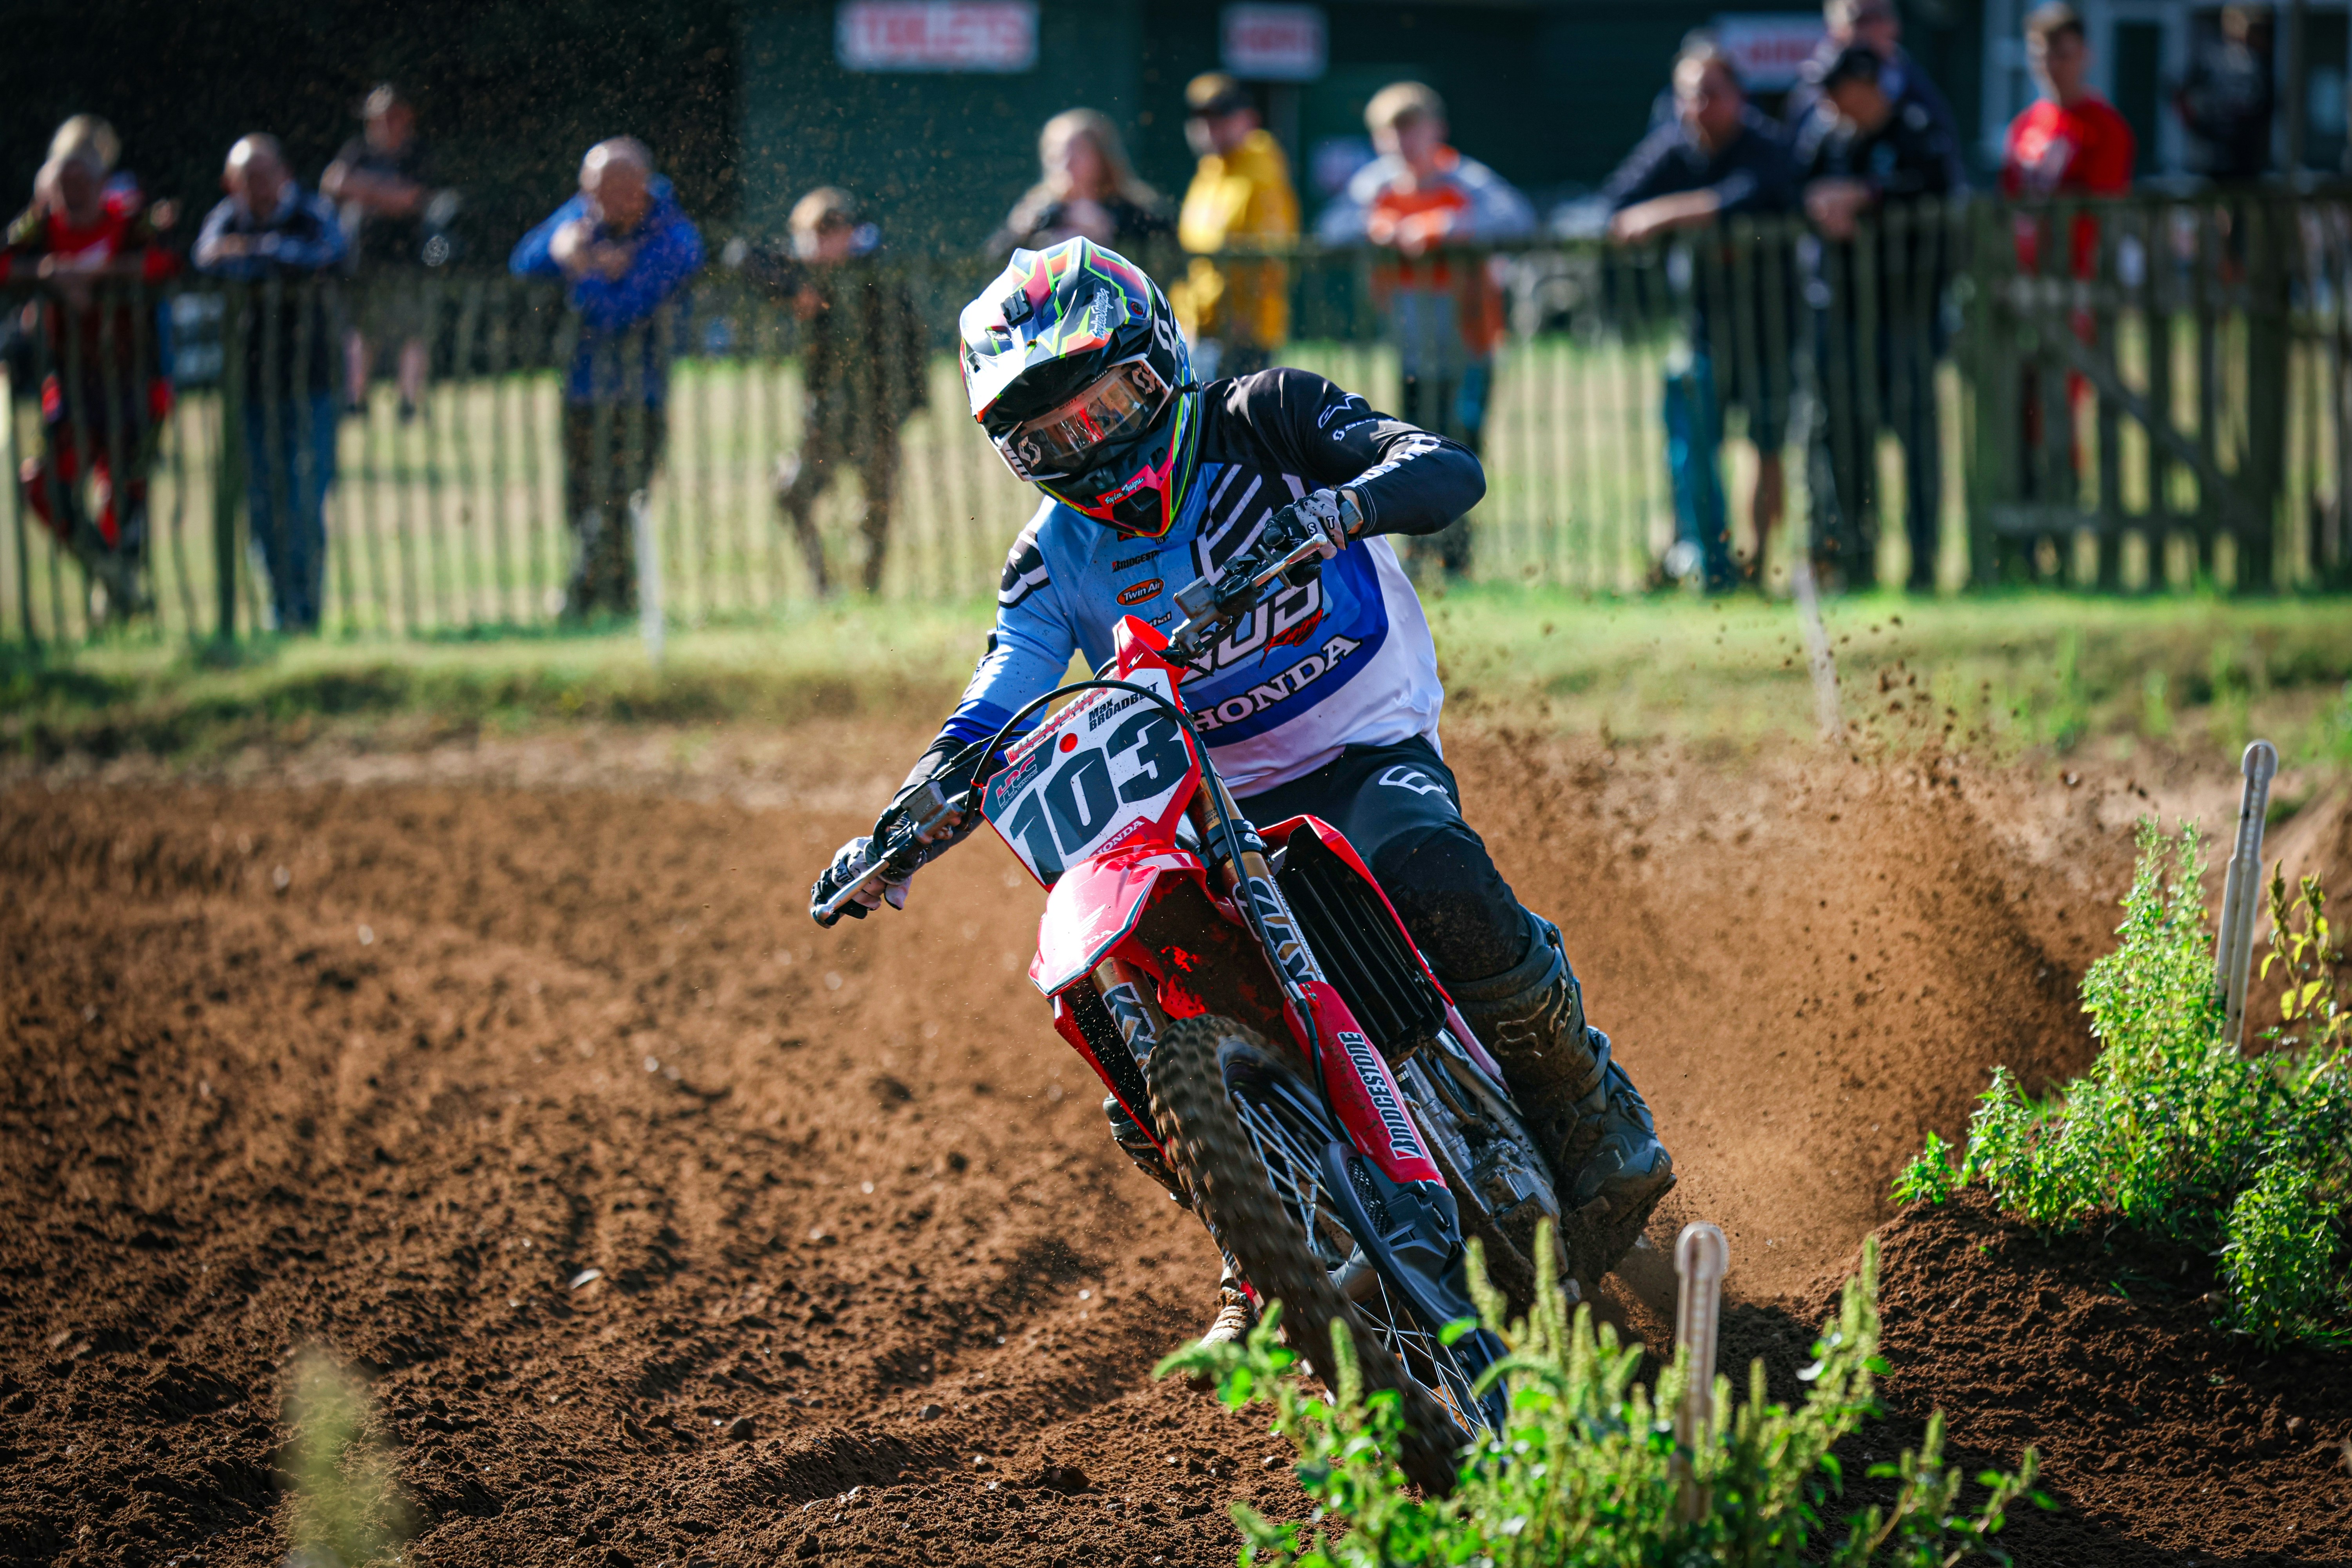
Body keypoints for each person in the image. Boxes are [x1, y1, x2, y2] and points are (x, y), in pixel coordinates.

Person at [808, 238, 1675, 1352]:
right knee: (1142, 1023)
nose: (1090, 444)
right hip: (1199, 798)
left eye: (1104, 404)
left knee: (1424, 857)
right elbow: (992, 704)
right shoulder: (1049, 560)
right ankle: (1265, 1253)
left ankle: (1581, 1103)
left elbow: (1443, 469)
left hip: (1357, 740)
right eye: (1050, 436)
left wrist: (1343, 511)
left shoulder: (1268, 415)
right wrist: (904, 824)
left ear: (1156, 359)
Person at [1316, 82, 1535, 579]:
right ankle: (1417, 554)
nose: (1402, 145)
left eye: (1411, 130)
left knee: (1462, 443)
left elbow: (1516, 218)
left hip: (1468, 343)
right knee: (1409, 450)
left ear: (1436, 130)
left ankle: (1458, 557)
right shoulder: (1377, 187)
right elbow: (1334, 226)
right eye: (1390, 134)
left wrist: (1448, 226)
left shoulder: (1468, 181)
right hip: (1410, 349)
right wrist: (1383, 226)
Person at [1604, 40, 1798, 592]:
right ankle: (1699, 557)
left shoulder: (1766, 144)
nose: (1699, 106)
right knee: (1693, 445)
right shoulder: (1672, 147)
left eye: (1711, 93)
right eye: (1689, 95)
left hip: (1771, 321)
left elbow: (1751, 197)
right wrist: (1652, 216)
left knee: (1767, 442)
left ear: (1739, 96)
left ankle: (1758, 561)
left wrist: (1666, 215)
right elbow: (1617, 202)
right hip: (1703, 325)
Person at [510, 138, 704, 618]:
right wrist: (569, 251)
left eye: (605, 192)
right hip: (581, 387)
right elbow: (527, 263)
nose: (593, 204)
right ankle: (605, 600)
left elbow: (622, 313)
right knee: (580, 500)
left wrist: (581, 268)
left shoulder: (675, 239)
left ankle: (589, 600)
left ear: (636, 188)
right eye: (589, 192)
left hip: (641, 393)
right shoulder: (586, 211)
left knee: (621, 500)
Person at [1796, 45, 1966, 592]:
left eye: (1835, 87)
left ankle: (1923, 562)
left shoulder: (1916, 128)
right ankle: (1855, 561)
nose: (1824, 99)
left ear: (1866, 85)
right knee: (1844, 441)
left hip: (1908, 315)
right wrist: (1819, 205)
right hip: (1843, 317)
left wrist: (1866, 197)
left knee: (1917, 441)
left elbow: (1938, 187)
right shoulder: (1826, 137)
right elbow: (1791, 186)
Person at [4, 131, 181, 622]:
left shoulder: (128, 222)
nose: (75, 191)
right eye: (65, 182)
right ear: (49, 189)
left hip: (134, 384)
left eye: (84, 180)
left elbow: (168, 261)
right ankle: (109, 575)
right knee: (42, 486)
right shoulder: (38, 229)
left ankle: (118, 595)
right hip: (73, 386)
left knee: (125, 489)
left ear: (103, 182)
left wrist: (99, 273)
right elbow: (4, 263)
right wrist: (48, 271)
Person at [739, 187, 928, 596]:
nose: (819, 244)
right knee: (794, 493)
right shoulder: (804, 273)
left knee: (877, 505)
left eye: (829, 231)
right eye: (811, 234)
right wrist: (794, 290)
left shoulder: (878, 271)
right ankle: (824, 585)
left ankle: (867, 588)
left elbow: (911, 338)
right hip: (826, 412)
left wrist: (912, 402)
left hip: (878, 411)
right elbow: (741, 257)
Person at [193, 134, 348, 633]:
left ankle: (307, 610)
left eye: (264, 174)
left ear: (285, 174)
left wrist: (258, 250)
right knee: (262, 503)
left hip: (313, 382)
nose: (256, 186)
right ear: (230, 182)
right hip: (252, 386)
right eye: (246, 177)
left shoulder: (312, 214)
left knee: (303, 499)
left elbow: (331, 255)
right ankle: (281, 609)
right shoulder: (225, 217)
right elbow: (206, 258)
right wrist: (271, 255)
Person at [2002, 4, 2135, 501]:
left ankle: (2062, 503)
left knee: (2060, 400)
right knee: (2018, 403)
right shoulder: (2025, 128)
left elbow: (2102, 210)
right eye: (2042, 54)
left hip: (2075, 287)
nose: (2052, 65)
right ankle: (2024, 507)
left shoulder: (2105, 127)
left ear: (2086, 56)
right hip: (2021, 289)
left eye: (2063, 53)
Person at [1169, 73, 1299, 383]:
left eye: (1222, 117)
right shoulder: (1209, 171)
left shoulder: (1263, 169)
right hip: (1205, 329)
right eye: (1203, 119)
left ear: (1249, 119)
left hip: (1245, 333)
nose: (1211, 129)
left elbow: (1270, 252)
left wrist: (1246, 318)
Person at [321, 84, 439, 420]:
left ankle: (408, 403)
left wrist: (362, 189)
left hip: (409, 257)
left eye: (392, 118)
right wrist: (384, 193)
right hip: (361, 259)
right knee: (360, 331)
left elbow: (410, 199)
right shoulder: (357, 150)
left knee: (412, 331)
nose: (385, 125)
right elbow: (331, 184)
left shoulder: (417, 155)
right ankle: (356, 402)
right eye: (378, 119)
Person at [989, 109, 1172, 260]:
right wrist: (1023, 231)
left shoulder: (1133, 212)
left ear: (1101, 158)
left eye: (1077, 152)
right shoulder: (1042, 213)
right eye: (1055, 155)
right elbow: (995, 264)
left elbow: (1163, 265)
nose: (1066, 163)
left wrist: (1108, 234)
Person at [1785, 0, 1962, 146]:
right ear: (1835, 29)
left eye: (1881, 17)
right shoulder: (1813, 91)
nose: (1874, 28)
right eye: (1862, 19)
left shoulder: (1918, 92)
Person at [2175, 6, 2274, 183]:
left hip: (2246, 151)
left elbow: (2270, 103)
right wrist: (2198, 126)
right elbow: (2183, 94)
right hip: (2216, 148)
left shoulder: (2258, 61)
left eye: (2239, 22)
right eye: (2230, 21)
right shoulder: (2211, 59)